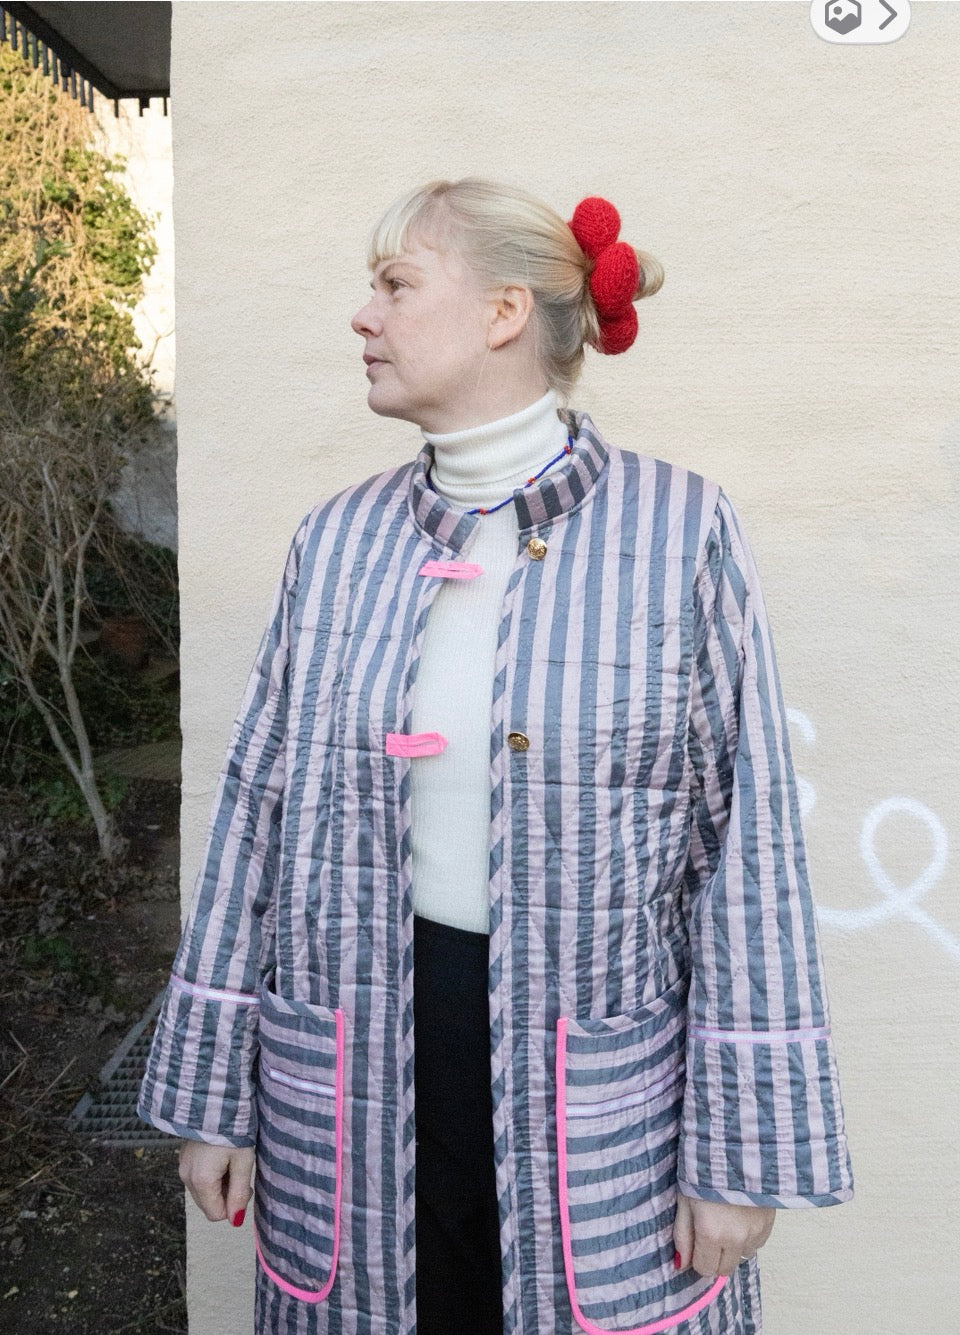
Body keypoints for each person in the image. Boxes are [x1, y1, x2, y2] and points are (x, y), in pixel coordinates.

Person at [138, 177, 853, 1335]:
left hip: (598, 1094)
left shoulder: (680, 532)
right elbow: (253, 817)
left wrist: (739, 1155)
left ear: (504, 312)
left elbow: (749, 843)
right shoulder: (336, 541)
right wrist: (215, 1097)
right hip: (356, 1064)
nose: (363, 315)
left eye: (395, 284)